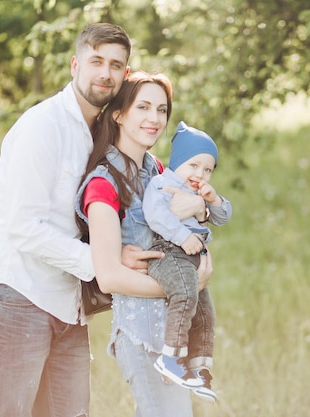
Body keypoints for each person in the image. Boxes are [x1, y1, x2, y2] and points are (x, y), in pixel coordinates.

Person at [0, 23, 153, 417]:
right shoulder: (42, 126)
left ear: (124, 74)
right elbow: (23, 228)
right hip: (16, 293)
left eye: (116, 65)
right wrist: (105, 261)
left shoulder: (104, 134)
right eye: (96, 61)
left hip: (68, 306)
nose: (106, 73)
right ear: (75, 65)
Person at [75, 71, 213, 417]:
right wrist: (188, 286)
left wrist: (203, 207)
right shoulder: (104, 183)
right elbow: (109, 278)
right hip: (141, 332)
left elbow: (191, 220)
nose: (155, 119)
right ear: (119, 113)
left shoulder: (158, 171)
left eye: (162, 110)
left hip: (171, 330)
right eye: (144, 107)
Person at [143, 121, 232, 403]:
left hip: (191, 257)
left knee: (205, 313)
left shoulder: (199, 192)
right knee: (184, 294)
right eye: (194, 165)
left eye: (207, 169)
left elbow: (223, 217)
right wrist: (182, 237)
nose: (200, 174)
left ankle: (200, 368)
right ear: (178, 161)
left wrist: (213, 199)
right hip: (168, 250)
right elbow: (155, 216)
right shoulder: (162, 183)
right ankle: (171, 357)